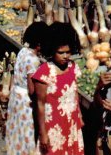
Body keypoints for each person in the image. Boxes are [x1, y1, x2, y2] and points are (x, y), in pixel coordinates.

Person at [32, 22, 84, 154]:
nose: (65, 56)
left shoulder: (73, 67)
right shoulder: (44, 73)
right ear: (52, 50)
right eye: (61, 53)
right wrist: (43, 133)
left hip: (71, 122)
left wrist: (80, 116)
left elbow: (75, 94)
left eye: (68, 52)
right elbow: (40, 104)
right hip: (53, 126)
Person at [5, 21, 50, 155]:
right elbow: (32, 89)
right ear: (39, 44)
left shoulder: (23, 51)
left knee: (16, 130)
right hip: (25, 101)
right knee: (27, 133)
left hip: (16, 96)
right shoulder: (33, 60)